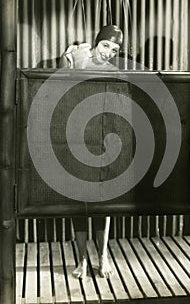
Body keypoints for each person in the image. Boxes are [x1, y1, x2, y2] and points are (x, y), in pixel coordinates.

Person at [59, 25, 123, 279]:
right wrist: (69, 59)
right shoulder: (77, 56)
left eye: (115, 49)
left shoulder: (112, 72)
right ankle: (83, 259)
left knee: (102, 204)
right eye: (106, 45)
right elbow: (62, 87)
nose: (108, 52)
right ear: (97, 43)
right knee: (78, 204)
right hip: (77, 138)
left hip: (102, 140)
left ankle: (103, 257)